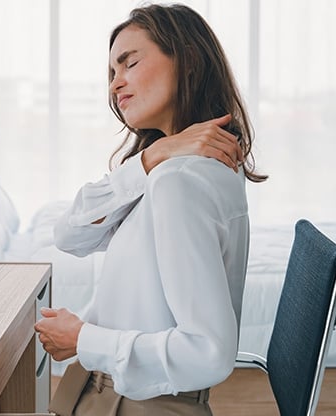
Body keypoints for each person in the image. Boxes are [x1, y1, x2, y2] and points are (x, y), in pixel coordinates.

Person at [34, 4, 267, 415]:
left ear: (188, 60)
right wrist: (153, 155)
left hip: (139, 404)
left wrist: (83, 338)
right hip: (108, 393)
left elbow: (208, 353)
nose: (114, 84)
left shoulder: (179, 181)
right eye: (110, 73)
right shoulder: (168, 170)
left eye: (129, 64)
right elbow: (70, 235)